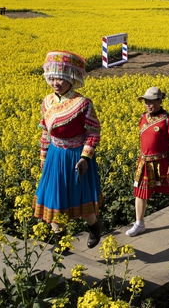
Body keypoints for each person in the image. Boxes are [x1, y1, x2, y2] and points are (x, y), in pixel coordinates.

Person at [34, 51, 103, 249]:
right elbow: (46, 132)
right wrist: (43, 155)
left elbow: (93, 134)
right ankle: (60, 240)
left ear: (71, 78)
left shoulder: (83, 104)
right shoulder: (46, 102)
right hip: (55, 155)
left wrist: (85, 158)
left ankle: (95, 226)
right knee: (54, 197)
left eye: (61, 78)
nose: (56, 82)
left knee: (79, 197)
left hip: (76, 156)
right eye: (53, 78)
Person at [125, 87, 169, 237]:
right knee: (140, 192)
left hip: (164, 161)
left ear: (159, 100)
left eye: (152, 101)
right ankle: (139, 223)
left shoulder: (168, 119)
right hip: (144, 162)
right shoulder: (143, 117)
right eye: (146, 102)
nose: (148, 105)